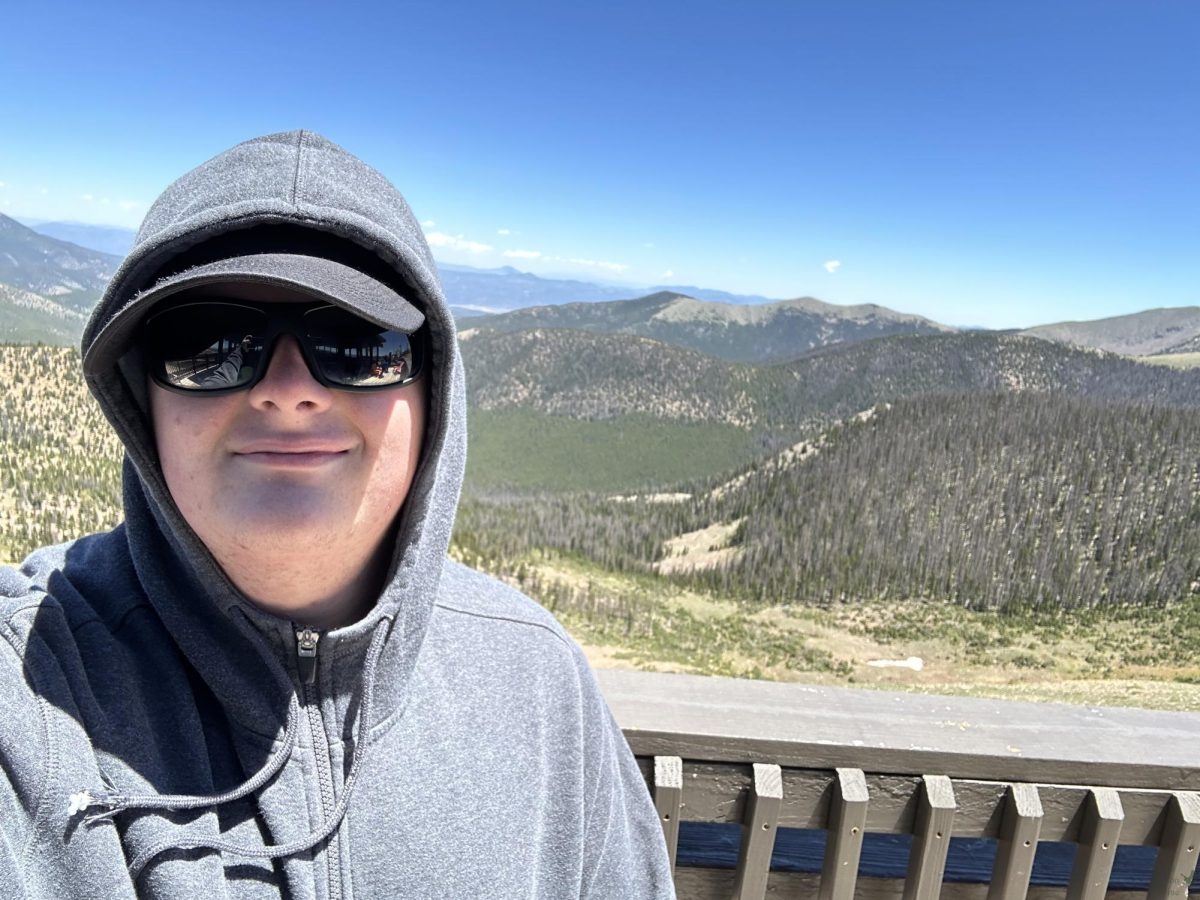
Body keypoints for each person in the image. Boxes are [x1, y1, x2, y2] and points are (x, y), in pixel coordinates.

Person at [0, 131, 675, 898]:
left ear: (431, 394)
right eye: (207, 344)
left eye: (358, 343)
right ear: (140, 399)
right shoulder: (35, 682)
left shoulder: (539, 684)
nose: (288, 390)